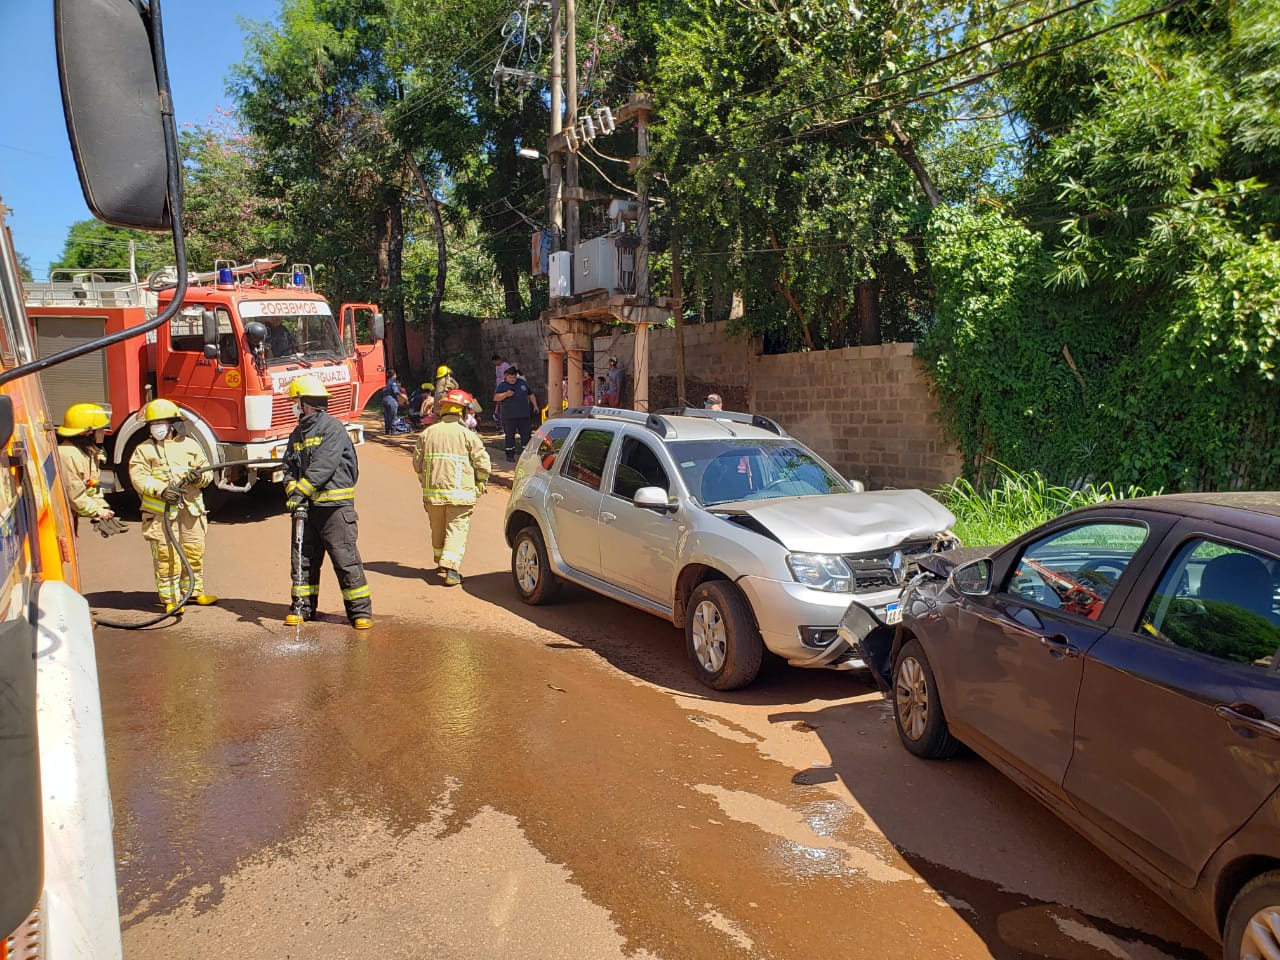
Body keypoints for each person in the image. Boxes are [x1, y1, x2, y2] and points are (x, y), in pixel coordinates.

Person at [282, 375, 373, 629]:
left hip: (335, 510)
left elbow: (324, 465)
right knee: (303, 561)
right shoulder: (297, 434)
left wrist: (300, 491)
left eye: (296, 402)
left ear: (305, 403)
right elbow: (288, 467)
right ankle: (302, 608)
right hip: (307, 509)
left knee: (345, 560)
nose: (294, 407)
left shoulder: (332, 429)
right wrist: (292, 491)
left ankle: (359, 612)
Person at [128, 399, 216, 613]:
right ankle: (171, 599)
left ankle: (193, 592)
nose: (156, 427)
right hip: (160, 515)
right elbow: (138, 477)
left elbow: (208, 473)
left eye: (160, 423)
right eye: (152, 424)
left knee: (194, 551)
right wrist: (161, 490)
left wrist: (199, 478)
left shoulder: (190, 446)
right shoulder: (143, 450)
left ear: (173, 424)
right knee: (167, 556)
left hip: (191, 511)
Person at [412, 388, 491, 587]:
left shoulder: (427, 434)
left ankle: (441, 561)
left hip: (433, 496)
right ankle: (451, 570)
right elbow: (483, 465)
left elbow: (417, 464)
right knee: (456, 529)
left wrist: (425, 480)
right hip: (461, 495)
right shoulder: (468, 436)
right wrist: (480, 483)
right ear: (462, 412)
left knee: (438, 529)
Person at [56, 402, 127, 539]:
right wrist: (97, 512)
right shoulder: (68, 455)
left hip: (68, 516)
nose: (104, 433)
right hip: (56, 520)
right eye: (100, 429)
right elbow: (74, 495)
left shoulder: (88, 453)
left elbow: (92, 486)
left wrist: (103, 508)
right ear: (87, 433)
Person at [494, 366, 537, 462]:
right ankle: (510, 455)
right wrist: (505, 394)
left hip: (524, 416)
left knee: (526, 436)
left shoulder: (522, 383)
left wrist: (535, 405)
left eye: (514, 377)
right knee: (510, 436)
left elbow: (530, 394)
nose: (512, 379)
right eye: (510, 377)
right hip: (509, 417)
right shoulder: (502, 385)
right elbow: (496, 397)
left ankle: (526, 455)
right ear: (506, 376)